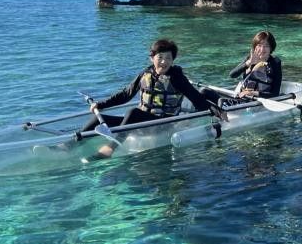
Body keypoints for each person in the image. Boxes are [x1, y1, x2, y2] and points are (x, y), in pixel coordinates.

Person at [82, 38, 218, 160]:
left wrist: (215, 110)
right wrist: (100, 105)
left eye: (169, 58)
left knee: (132, 113)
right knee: (97, 119)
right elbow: (126, 94)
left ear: (173, 60)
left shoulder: (177, 77)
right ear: (152, 58)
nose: (164, 62)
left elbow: (195, 97)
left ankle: (110, 148)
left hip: (164, 124)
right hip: (142, 122)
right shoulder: (145, 74)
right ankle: (69, 146)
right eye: (160, 57)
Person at [203, 30, 282, 112]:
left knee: (221, 101)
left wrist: (252, 93)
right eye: (259, 45)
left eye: (266, 46)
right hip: (239, 98)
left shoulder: (275, 63)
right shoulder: (250, 58)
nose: (262, 49)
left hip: (253, 102)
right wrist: (249, 63)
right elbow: (232, 75)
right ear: (255, 47)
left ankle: (218, 117)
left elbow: (275, 94)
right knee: (204, 91)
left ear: (271, 48)